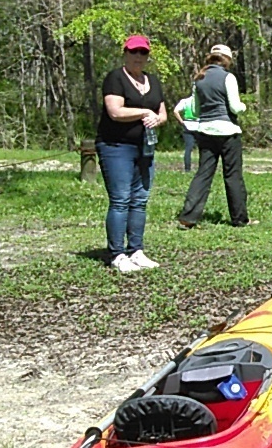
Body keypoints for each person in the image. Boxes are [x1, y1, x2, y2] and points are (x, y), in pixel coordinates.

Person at [97, 35, 166, 273]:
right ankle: (117, 253)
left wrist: (157, 118)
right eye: (134, 52)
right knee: (121, 199)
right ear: (125, 53)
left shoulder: (153, 81)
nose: (138, 57)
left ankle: (136, 250)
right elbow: (115, 111)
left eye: (143, 53)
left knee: (140, 200)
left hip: (144, 148)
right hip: (116, 147)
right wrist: (144, 112)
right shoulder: (115, 78)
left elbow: (162, 113)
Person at [176, 44, 252, 228]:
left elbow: (194, 109)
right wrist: (244, 107)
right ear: (227, 60)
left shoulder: (199, 78)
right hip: (228, 132)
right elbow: (234, 107)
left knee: (203, 174)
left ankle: (188, 217)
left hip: (205, 132)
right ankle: (239, 219)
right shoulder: (228, 77)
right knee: (233, 175)